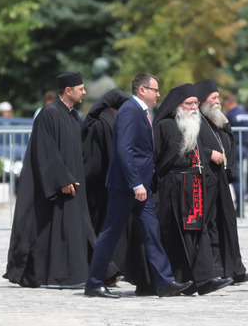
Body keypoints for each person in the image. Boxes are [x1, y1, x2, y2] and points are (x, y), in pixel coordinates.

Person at [83, 73, 194, 299]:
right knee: (110, 233)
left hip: (141, 187)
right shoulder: (129, 110)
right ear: (142, 90)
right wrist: (135, 183)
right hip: (126, 186)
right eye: (155, 89)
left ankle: (164, 282)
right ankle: (94, 283)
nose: (158, 94)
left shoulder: (142, 112)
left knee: (152, 232)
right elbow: (124, 150)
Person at [3, 72, 95, 288]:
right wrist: (62, 179)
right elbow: (46, 152)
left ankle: (76, 274)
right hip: (58, 186)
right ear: (68, 90)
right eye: (81, 88)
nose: (85, 92)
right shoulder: (48, 114)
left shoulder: (74, 116)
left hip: (74, 184)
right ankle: (52, 276)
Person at [153, 83, 233, 296]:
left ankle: (205, 279)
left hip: (195, 186)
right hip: (175, 187)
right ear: (176, 106)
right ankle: (183, 279)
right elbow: (160, 159)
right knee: (179, 235)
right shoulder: (164, 126)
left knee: (199, 232)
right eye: (189, 104)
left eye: (196, 103)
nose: (195, 108)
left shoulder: (193, 124)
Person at [81, 87, 152, 291]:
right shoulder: (104, 124)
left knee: (146, 230)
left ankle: (162, 279)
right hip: (112, 187)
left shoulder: (105, 121)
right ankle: (97, 279)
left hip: (116, 184)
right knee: (109, 232)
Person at [194, 79, 248, 285]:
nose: (218, 101)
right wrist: (208, 153)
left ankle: (235, 269)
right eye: (214, 98)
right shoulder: (194, 120)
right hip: (205, 179)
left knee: (227, 223)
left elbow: (229, 144)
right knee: (210, 224)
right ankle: (215, 268)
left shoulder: (217, 119)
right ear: (203, 101)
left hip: (220, 179)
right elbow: (187, 147)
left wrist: (226, 126)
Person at [223, 92, 248, 212]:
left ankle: (239, 208)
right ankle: (241, 206)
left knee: (235, 178)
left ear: (226, 102)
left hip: (235, 148)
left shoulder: (230, 115)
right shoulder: (245, 114)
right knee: (240, 177)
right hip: (245, 148)